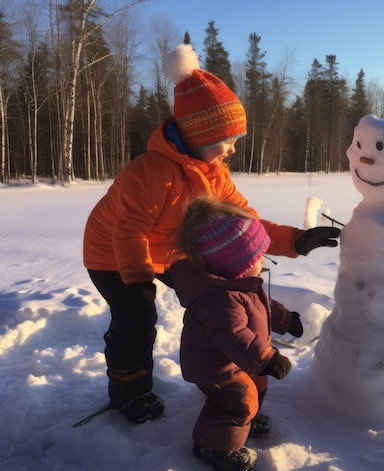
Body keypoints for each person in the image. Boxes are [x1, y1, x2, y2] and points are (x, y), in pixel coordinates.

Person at [82, 43, 340, 424]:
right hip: (113, 255)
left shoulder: (213, 173)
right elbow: (129, 230)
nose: (232, 149)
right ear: (198, 134)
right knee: (135, 318)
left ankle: (228, 376)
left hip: (169, 251)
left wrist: (295, 240)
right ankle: (129, 390)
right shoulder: (150, 171)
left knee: (227, 293)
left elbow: (245, 225)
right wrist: (137, 280)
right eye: (227, 139)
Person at [170, 197, 300, 471]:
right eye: (258, 257)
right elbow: (234, 334)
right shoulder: (219, 300)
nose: (263, 261)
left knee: (254, 390)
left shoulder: (239, 286)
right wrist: (266, 358)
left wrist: (287, 320)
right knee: (238, 400)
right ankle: (213, 445)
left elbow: (262, 308)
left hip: (237, 361)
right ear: (236, 264)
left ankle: (243, 420)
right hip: (216, 368)